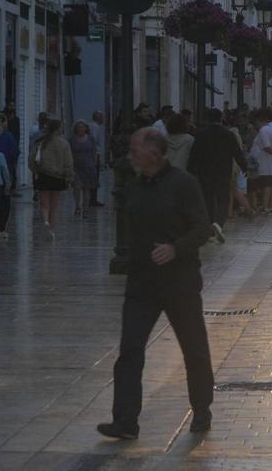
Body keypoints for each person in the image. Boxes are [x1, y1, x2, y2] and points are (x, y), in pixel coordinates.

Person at [97, 128, 215, 441]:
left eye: (136, 146)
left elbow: (202, 227)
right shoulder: (134, 186)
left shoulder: (183, 184)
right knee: (130, 351)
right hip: (142, 284)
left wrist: (175, 248)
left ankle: (202, 409)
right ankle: (125, 421)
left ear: (155, 151)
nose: (130, 151)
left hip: (180, 282)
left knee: (194, 349)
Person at [187, 108, 248, 243]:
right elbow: (237, 152)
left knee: (208, 198)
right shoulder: (227, 134)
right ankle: (219, 223)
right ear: (221, 119)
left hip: (205, 172)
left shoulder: (200, 135)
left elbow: (194, 154)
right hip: (223, 171)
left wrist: (190, 170)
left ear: (207, 119)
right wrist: (244, 166)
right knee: (223, 198)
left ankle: (210, 225)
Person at [31, 119, 73, 239]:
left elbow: (32, 158)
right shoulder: (64, 144)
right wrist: (69, 177)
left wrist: (35, 171)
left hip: (43, 175)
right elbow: (68, 162)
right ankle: (51, 231)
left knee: (44, 204)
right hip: (58, 177)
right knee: (54, 206)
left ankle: (45, 221)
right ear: (59, 128)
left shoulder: (40, 142)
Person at [251, 109, 272, 215]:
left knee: (267, 185)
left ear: (259, 121)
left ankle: (265, 207)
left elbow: (266, 146)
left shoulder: (263, 130)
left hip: (264, 162)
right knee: (271, 185)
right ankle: (270, 206)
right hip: (271, 162)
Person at [70, 120, 100, 219]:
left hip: (88, 166)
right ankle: (77, 206)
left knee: (86, 188)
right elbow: (69, 152)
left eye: (82, 127)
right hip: (76, 167)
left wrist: (94, 163)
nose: (81, 129)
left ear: (86, 128)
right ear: (75, 129)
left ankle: (85, 209)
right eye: (79, 127)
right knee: (77, 187)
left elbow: (94, 151)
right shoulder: (72, 139)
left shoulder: (91, 139)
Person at [89, 111, 107, 207]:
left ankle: (91, 199)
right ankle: (92, 199)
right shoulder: (96, 127)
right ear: (98, 118)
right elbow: (94, 140)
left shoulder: (91, 126)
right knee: (94, 177)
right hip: (95, 154)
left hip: (92, 154)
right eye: (102, 117)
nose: (103, 119)